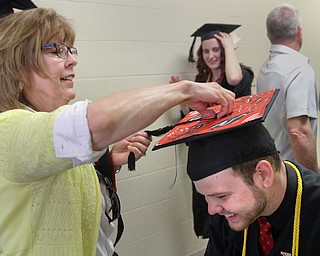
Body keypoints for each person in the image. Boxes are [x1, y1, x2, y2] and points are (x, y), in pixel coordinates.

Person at [0, 7, 235, 256]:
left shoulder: (43, 131)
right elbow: (95, 123)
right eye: (55, 50)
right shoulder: (8, 131)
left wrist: (108, 162)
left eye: (69, 49)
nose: (72, 59)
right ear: (18, 67)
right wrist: (183, 91)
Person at [185, 121, 320, 255]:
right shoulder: (225, 214)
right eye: (206, 196)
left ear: (263, 174)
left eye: (221, 196)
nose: (212, 210)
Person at [170, 23, 254, 238]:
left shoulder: (240, 73)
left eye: (216, 49)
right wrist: (182, 98)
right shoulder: (201, 82)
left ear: (225, 50)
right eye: (206, 50)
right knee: (212, 215)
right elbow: (195, 117)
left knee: (233, 214)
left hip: (232, 156)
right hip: (208, 155)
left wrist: (228, 44)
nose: (211, 55)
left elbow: (234, 80)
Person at [257, 3, 319, 172]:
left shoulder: (265, 69)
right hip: (294, 173)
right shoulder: (299, 69)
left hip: (274, 166)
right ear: (299, 31)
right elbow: (298, 131)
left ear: (269, 35)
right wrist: (312, 179)